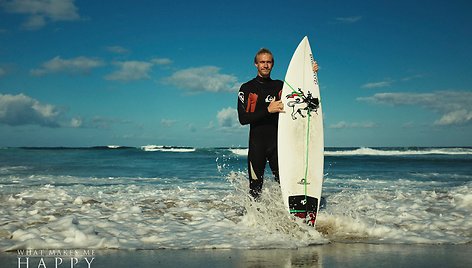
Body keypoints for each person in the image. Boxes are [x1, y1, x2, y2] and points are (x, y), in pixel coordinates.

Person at [237, 48, 318, 200]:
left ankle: (288, 215)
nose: (265, 65)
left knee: (286, 184)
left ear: (273, 64)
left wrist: (311, 73)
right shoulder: (247, 88)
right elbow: (243, 119)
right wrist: (268, 110)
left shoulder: (281, 86)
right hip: (257, 146)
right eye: (262, 62)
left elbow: (301, 94)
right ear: (256, 64)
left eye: (268, 62)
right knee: (255, 188)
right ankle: (251, 221)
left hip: (280, 146)